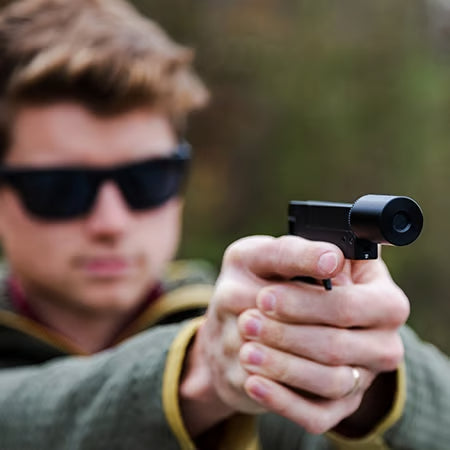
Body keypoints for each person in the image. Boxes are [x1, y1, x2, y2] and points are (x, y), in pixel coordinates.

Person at [0, 0, 448, 449]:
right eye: (59, 188)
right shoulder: (229, 342)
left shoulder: (245, 325)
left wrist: (371, 374)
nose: (111, 222)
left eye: (147, 180)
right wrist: (199, 371)